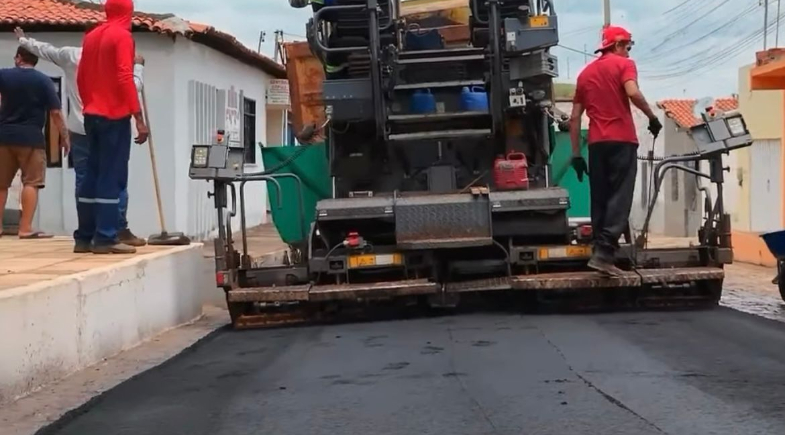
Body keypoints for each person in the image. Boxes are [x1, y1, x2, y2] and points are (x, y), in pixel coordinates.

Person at [14, 27, 147, 248]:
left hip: (80, 127)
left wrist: (24, 40)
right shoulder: (111, 61)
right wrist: (139, 67)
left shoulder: (72, 55)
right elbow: (132, 86)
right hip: (109, 124)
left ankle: (86, 233)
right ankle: (116, 229)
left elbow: (46, 50)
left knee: (85, 179)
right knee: (114, 179)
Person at [569, 26, 662, 276]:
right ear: (618, 45)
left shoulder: (585, 74)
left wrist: (576, 153)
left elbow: (575, 117)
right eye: (628, 47)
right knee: (620, 198)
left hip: (597, 144)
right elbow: (632, 92)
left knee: (600, 197)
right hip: (622, 141)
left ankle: (599, 252)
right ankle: (605, 254)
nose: (629, 52)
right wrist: (652, 117)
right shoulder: (624, 65)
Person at [76, 0, 149, 255]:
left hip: (91, 113)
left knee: (91, 174)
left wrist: (89, 103)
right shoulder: (122, 37)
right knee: (112, 174)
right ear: (128, 13)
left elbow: (81, 76)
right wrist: (138, 117)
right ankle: (106, 237)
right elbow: (123, 76)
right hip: (114, 116)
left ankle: (83, 237)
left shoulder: (92, 36)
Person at [0, 47, 70, 239]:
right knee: (31, 182)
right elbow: (55, 112)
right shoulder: (43, 81)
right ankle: (25, 228)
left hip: (4, 137)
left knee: (1, 184)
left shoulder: (4, 75)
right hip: (31, 139)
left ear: (19, 58)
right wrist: (64, 137)